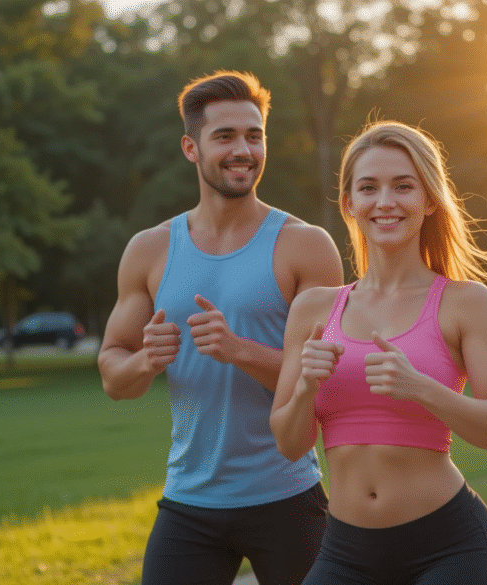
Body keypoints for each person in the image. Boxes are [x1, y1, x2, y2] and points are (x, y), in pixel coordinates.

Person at [97, 71, 343, 585]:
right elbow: (114, 379)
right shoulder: (149, 249)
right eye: (225, 136)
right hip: (190, 503)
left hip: (287, 496)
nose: (243, 150)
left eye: (254, 136)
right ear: (191, 148)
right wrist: (146, 360)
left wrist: (240, 350)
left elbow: (328, 382)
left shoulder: (305, 245)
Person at [271, 120, 487, 585]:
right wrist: (305, 387)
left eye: (403, 186)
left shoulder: (465, 302)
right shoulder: (313, 308)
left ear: (429, 200)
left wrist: (421, 388)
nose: (385, 201)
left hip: (449, 548)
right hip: (345, 553)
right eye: (369, 188)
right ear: (350, 203)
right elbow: (289, 444)